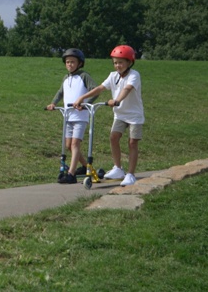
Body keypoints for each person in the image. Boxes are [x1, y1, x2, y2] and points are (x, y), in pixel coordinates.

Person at [73, 45, 144, 186]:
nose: (117, 65)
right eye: (115, 62)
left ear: (129, 62)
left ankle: (130, 174)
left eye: (121, 62)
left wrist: (117, 100)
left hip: (134, 115)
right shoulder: (113, 76)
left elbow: (127, 89)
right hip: (120, 115)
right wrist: (82, 97)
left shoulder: (134, 75)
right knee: (113, 137)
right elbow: (100, 88)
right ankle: (118, 168)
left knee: (132, 142)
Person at [46, 48, 97, 184]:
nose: (70, 64)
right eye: (67, 62)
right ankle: (86, 167)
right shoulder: (66, 78)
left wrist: (87, 104)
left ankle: (71, 174)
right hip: (68, 116)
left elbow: (95, 90)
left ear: (80, 63)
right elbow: (60, 92)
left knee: (75, 144)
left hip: (80, 116)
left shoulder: (84, 76)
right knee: (69, 145)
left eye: (73, 62)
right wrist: (53, 103)